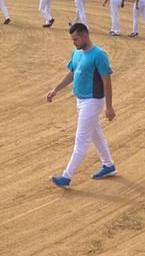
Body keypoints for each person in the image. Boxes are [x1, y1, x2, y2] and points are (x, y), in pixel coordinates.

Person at [47, 23, 117, 189]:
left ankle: (67, 176)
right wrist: (55, 89)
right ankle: (108, 165)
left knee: (81, 140)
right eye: (72, 39)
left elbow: (107, 81)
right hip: (81, 100)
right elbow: (71, 73)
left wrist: (109, 106)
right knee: (95, 135)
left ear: (85, 35)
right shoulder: (76, 53)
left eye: (76, 39)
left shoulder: (99, 55)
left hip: (93, 101)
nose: (74, 42)